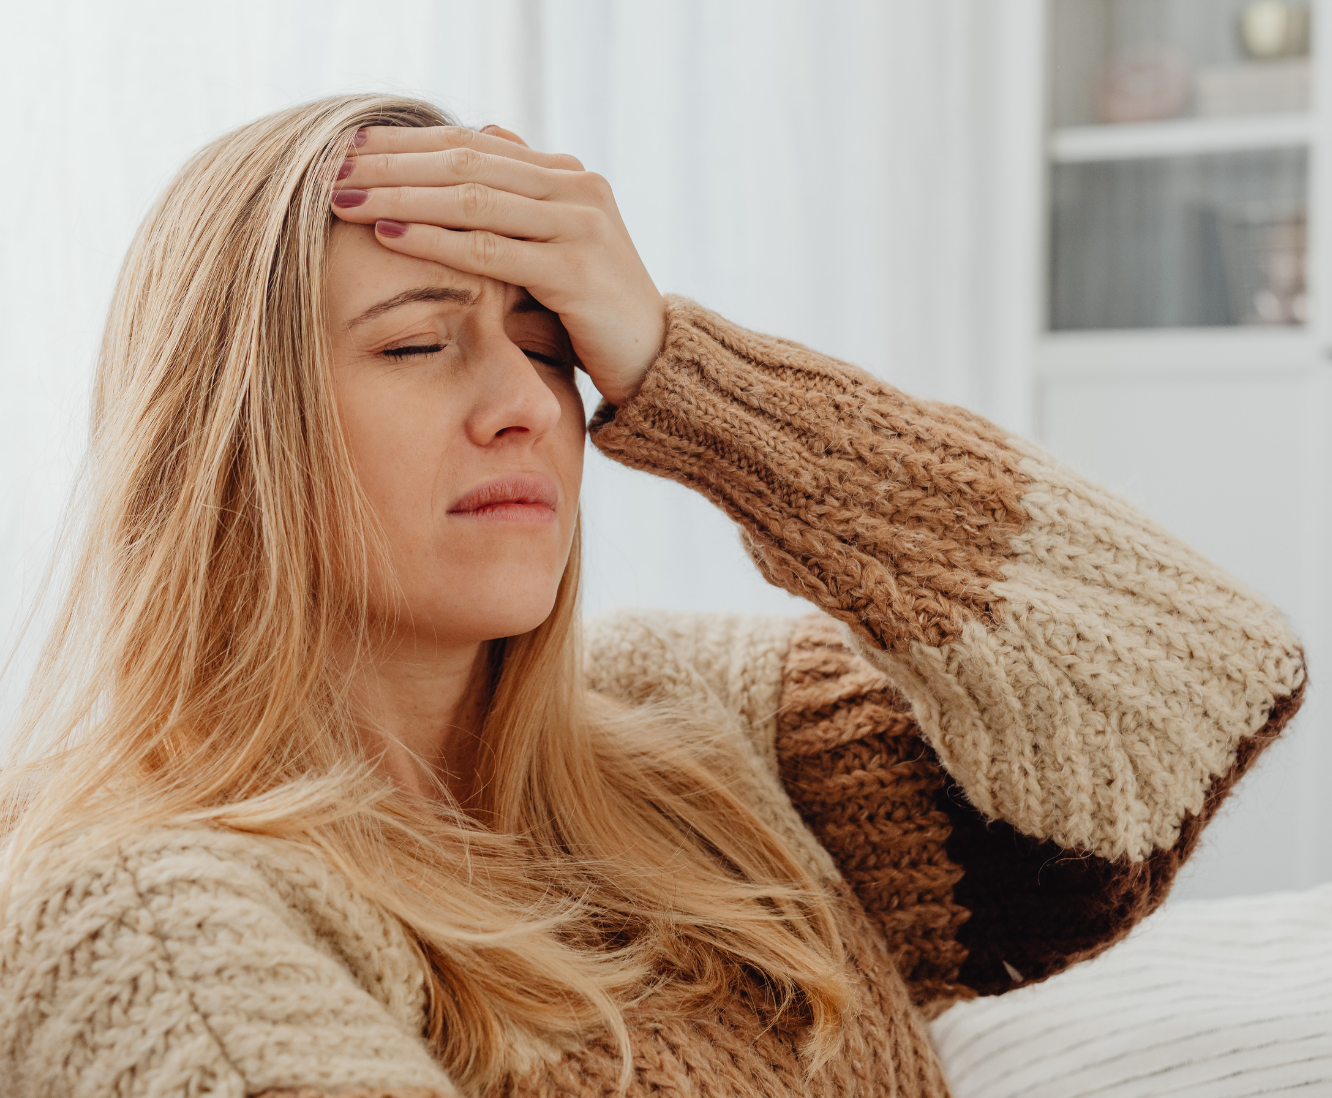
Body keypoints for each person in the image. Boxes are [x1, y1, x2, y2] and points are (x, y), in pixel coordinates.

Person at [0, 94, 1305, 1098]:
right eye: (415, 341)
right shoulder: (142, 911)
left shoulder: (689, 726)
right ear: (223, 437)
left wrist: (686, 368)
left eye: (550, 345)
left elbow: (1195, 682)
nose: (526, 405)